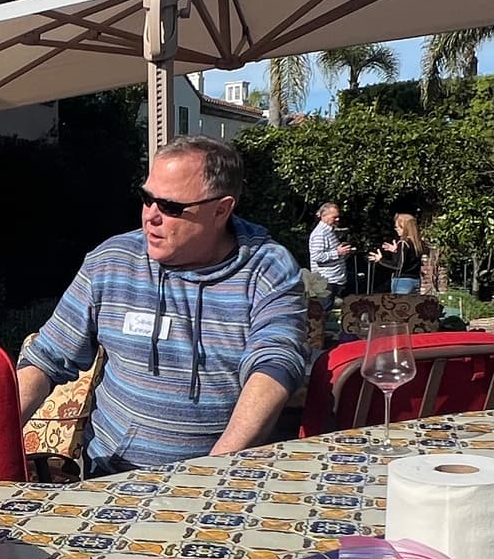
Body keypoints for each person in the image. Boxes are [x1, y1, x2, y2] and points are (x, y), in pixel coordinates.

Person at [17, 136, 308, 475]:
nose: (150, 216)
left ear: (221, 210)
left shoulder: (267, 269)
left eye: (170, 207)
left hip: (222, 479)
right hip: (114, 477)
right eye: (147, 198)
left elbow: (274, 365)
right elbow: (47, 359)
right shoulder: (112, 261)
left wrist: (212, 470)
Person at [378, 213, 427, 296]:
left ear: (404, 227)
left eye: (397, 227)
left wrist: (381, 260)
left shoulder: (403, 243)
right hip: (416, 280)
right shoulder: (418, 244)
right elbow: (409, 259)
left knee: (400, 304)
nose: (396, 229)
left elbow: (398, 265)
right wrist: (396, 251)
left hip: (403, 281)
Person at [308, 202, 353, 291]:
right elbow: (316, 256)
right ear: (323, 216)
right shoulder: (320, 234)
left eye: (338, 217)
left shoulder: (330, 231)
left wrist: (344, 252)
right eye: (334, 217)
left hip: (336, 280)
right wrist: (338, 253)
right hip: (326, 283)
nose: (338, 219)